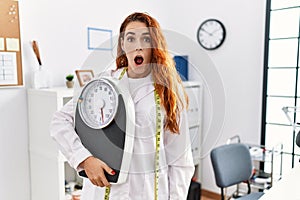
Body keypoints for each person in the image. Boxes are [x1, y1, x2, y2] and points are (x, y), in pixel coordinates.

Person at [50, 12, 195, 200]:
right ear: (122, 45)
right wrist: (84, 160)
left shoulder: (168, 94)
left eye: (145, 38)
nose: (138, 46)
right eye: (131, 39)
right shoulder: (103, 84)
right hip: (104, 193)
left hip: (148, 194)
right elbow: (60, 120)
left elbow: (180, 162)